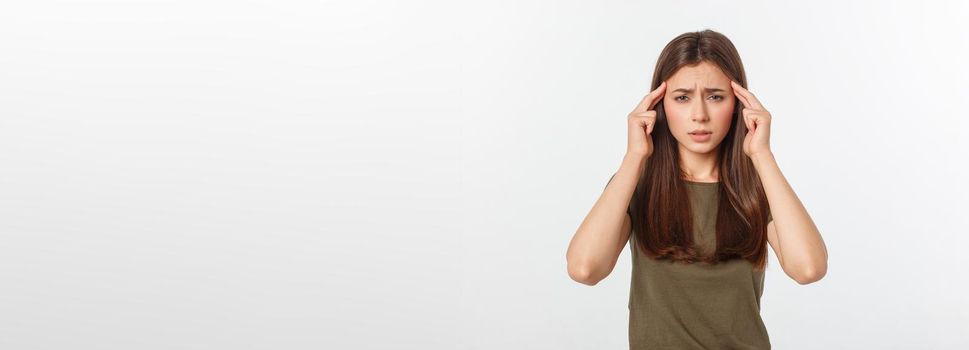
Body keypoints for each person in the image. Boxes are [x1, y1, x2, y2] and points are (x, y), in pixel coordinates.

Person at [565, 29, 829, 349]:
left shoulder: (756, 186)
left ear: (738, 104)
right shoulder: (637, 182)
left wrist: (762, 155)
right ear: (659, 105)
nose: (700, 115)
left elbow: (809, 269)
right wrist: (634, 157)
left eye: (715, 96)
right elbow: (584, 269)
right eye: (682, 97)